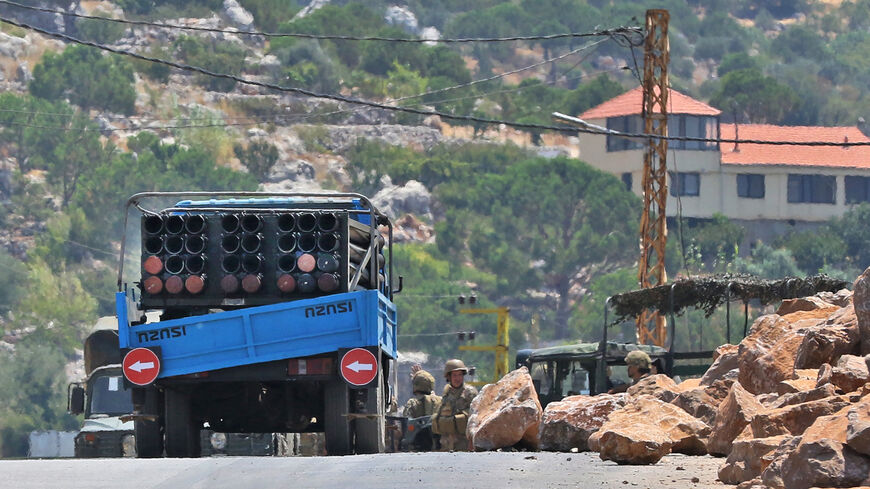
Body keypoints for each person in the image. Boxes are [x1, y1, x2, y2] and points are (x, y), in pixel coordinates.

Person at [432, 358, 478, 451]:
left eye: (460, 375)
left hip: (463, 443)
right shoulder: (447, 392)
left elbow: (475, 418)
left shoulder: (470, 392)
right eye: (454, 375)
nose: (458, 378)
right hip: (446, 444)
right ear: (448, 377)